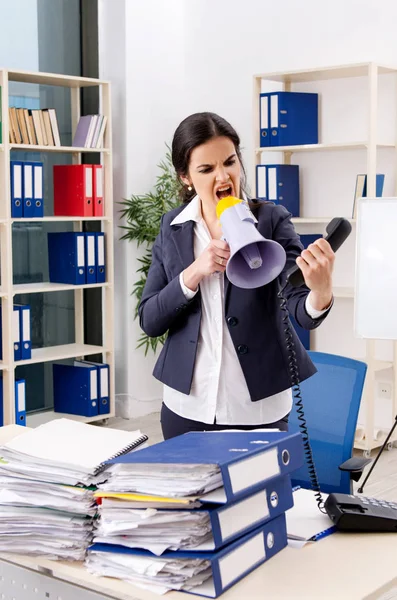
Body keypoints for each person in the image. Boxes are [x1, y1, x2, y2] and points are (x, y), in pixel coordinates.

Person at [139, 112, 335, 440]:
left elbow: (300, 307)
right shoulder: (172, 227)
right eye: (206, 169)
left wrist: (321, 291)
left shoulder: (271, 220)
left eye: (230, 162)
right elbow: (150, 318)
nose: (223, 176)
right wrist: (195, 272)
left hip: (256, 408)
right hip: (187, 408)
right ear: (185, 177)